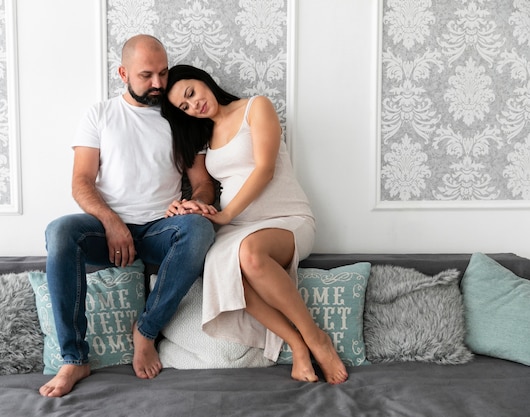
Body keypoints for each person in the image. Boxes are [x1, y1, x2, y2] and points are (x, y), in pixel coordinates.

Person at [40, 37, 217, 397]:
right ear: (123, 73)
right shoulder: (100, 114)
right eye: (146, 75)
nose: (157, 84)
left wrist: (194, 203)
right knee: (60, 232)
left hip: (160, 231)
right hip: (106, 232)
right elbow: (81, 182)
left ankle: (146, 330)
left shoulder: (182, 117)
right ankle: (74, 358)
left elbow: (202, 185)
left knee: (199, 228)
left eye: (163, 73)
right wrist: (111, 221)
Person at [161, 65, 348, 385]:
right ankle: (297, 345)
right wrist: (189, 206)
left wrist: (225, 215)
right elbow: (206, 188)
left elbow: (264, 169)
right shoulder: (203, 137)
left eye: (191, 93)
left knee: (248, 255)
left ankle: (317, 339)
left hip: (287, 220)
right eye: (185, 107)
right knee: (225, 265)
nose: (194, 106)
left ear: (203, 79)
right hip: (238, 228)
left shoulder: (255, 106)